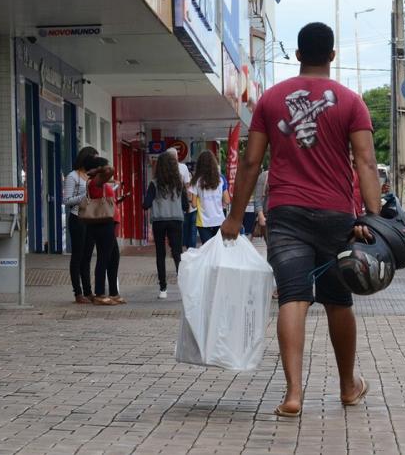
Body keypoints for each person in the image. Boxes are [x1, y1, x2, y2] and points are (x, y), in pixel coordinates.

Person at [220, 22, 380, 417]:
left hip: (286, 214)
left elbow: (253, 162)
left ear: (296, 55)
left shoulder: (271, 100)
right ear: (332, 55)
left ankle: (293, 394)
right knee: (338, 301)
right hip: (336, 216)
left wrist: (234, 217)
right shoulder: (350, 101)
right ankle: (347, 386)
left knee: (293, 296)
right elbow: (366, 161)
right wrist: (375, 219)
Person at [142, 152, 188, 300]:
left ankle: (163, 289)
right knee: (177, 253)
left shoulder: (154, 184)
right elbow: (186, 205)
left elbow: (146, 204)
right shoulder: (179, 183)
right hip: (176, 220)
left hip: (159, 221)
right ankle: (184, 287)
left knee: (160, 254)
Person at [84, 156, 124, 306]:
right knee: (103, 258)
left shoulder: (100, 182)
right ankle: (100, 293)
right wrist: (99, 169)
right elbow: (110, 170)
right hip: (102, 224)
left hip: (108, 222)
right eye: (104, 166)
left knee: (113, 257)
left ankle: (113, 292)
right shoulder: (95, 181)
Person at [63, 146, 98, 303]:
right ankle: (78, 292)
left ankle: (88, 291)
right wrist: (86, 195)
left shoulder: (92, 176)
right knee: (77, 255)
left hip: (91, 218)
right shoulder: (73, 176)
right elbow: (67, 201)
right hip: (78, 218)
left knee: (87, 256)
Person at [189, 150, 229, 244]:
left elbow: (194, 204)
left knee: (207, 250)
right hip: (219, 220)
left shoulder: (196, 181)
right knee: (218, 249)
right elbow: (227, 200)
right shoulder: (221, 178)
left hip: (203, 222)